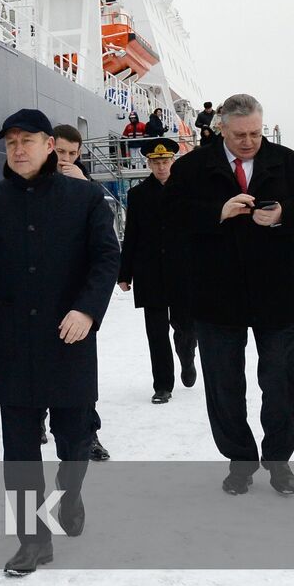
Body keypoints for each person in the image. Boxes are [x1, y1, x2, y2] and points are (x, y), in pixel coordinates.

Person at [0, 109, 121, 575]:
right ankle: (33, 541)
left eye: (27, 140)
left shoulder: (85, 197)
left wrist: (87, 309)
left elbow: (106, 260)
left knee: (74, 439)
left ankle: (70, 494)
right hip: (10, 344)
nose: (17, 149)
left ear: (50, 145)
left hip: (68, 338)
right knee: (18, 449)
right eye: (10, 142)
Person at [165, 93, 294, 496]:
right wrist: (217, 212)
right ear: (221, 128)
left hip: (275, 292)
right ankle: (240, 460)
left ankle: (278, 459)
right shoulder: (192, 167)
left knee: (281, 379)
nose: (249, 142)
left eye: (256, 133)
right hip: (215, 294)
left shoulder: (289, 162)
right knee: (224, 383)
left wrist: (285, 214)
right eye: (240, 134)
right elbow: (171, 216)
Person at [117, 139, 196, 403]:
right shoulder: (138, 195)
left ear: (173, 161)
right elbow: (132, 235)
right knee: (156, 332)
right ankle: (163, 385)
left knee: (185, 326)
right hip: (149, 271)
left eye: (165, 161)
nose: (161, 167)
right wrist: (124, 273)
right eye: (156, 162)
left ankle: (187, 355)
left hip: (183, 269)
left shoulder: (187, 192)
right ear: (149, 164)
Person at [50, 125, 112, 461]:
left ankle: (90, 435)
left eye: (73, 154)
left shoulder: (88, 191)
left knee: (82, 379)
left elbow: (104, 248)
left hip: (78, 301)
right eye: (60, 152)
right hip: (38, 300)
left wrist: (82, 188)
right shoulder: (29, 185)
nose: (66, 160)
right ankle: (39, 423)